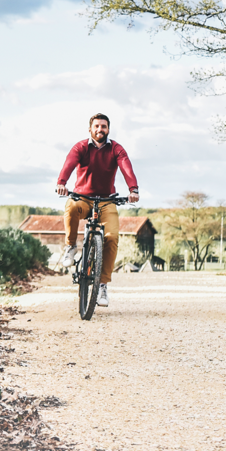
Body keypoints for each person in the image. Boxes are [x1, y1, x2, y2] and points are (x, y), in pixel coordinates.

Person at [56, 112, 140, 307]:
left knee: (111, 238)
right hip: (82, 198)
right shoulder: (81, 147)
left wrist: (133, 189)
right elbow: (69, 163)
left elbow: (126, 166)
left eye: (103, 126)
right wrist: (62, 182)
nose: (100, 130)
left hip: (106, 201)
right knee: (71, 207)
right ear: (90, 129)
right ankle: (71, 246)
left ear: (108, 129)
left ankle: (102, 285)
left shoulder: (116, 149)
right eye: (97, 126)